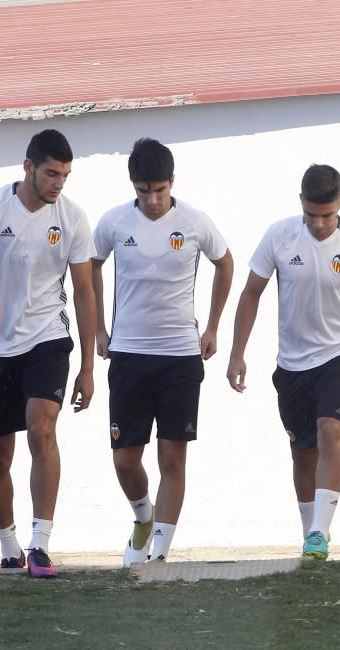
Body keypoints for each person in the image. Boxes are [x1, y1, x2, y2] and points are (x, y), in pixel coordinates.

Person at [227, 164, 340, 560]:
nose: (319, 225)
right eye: (311, 215)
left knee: (330, 431)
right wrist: (238, 352)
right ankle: (311, 536)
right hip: (292, 363)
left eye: (327, 215)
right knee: (303, 451)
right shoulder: (279, 236)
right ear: (300, 203)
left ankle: (320, 530)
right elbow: (252, 292)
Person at [92, 138, 233, 566]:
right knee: (124, 459)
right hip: (129, 354)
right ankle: (143, 517)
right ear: (132, 186)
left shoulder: (194, 222)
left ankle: (159, 555)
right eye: (143, 191)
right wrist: (99, 328)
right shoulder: (114, 223)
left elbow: (225, 264)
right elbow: (90, 266)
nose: (152, 200)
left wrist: (212, 326)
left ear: (172, 182)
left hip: (180, 355)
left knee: (172, 455)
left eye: (159, 190)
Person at [0, 129, 96, 578]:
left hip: (47, 337)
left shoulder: (73, 218)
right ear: (28, 167)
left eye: (65, 175)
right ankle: (9, 545)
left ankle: (41, 545)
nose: (59, 183)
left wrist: (88, 367)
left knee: (42, 429)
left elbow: (83, 290)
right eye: (51, 173)